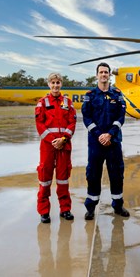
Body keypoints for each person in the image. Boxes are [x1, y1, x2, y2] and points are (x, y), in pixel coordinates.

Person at [82, 62, 130, 220]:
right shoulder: (90, 95)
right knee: (93, 175)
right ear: (97, 75)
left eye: (106, 72)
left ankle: (118, 205)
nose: (104, 75)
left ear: (109, 75)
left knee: (117, 175)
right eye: (101, 72)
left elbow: (121, 117)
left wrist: (109, 134)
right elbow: (86, 117)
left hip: (114, 142)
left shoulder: (117, 94)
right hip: (96, 144)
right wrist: (99, 135)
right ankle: (90, 207)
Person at [35, 73, 77, 223]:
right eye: (52, 82)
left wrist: (63, 139)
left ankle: (65, 209)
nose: (55, 85)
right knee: (45, 179)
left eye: (58, 82)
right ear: (48, 84)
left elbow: (72, 123)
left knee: (63, 179)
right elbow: (40, 125)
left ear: (61, 84)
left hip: (64, 146)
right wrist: (54, 141)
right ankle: (44, 211)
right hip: (48, 147)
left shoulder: (68, 102)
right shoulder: (42, 102)